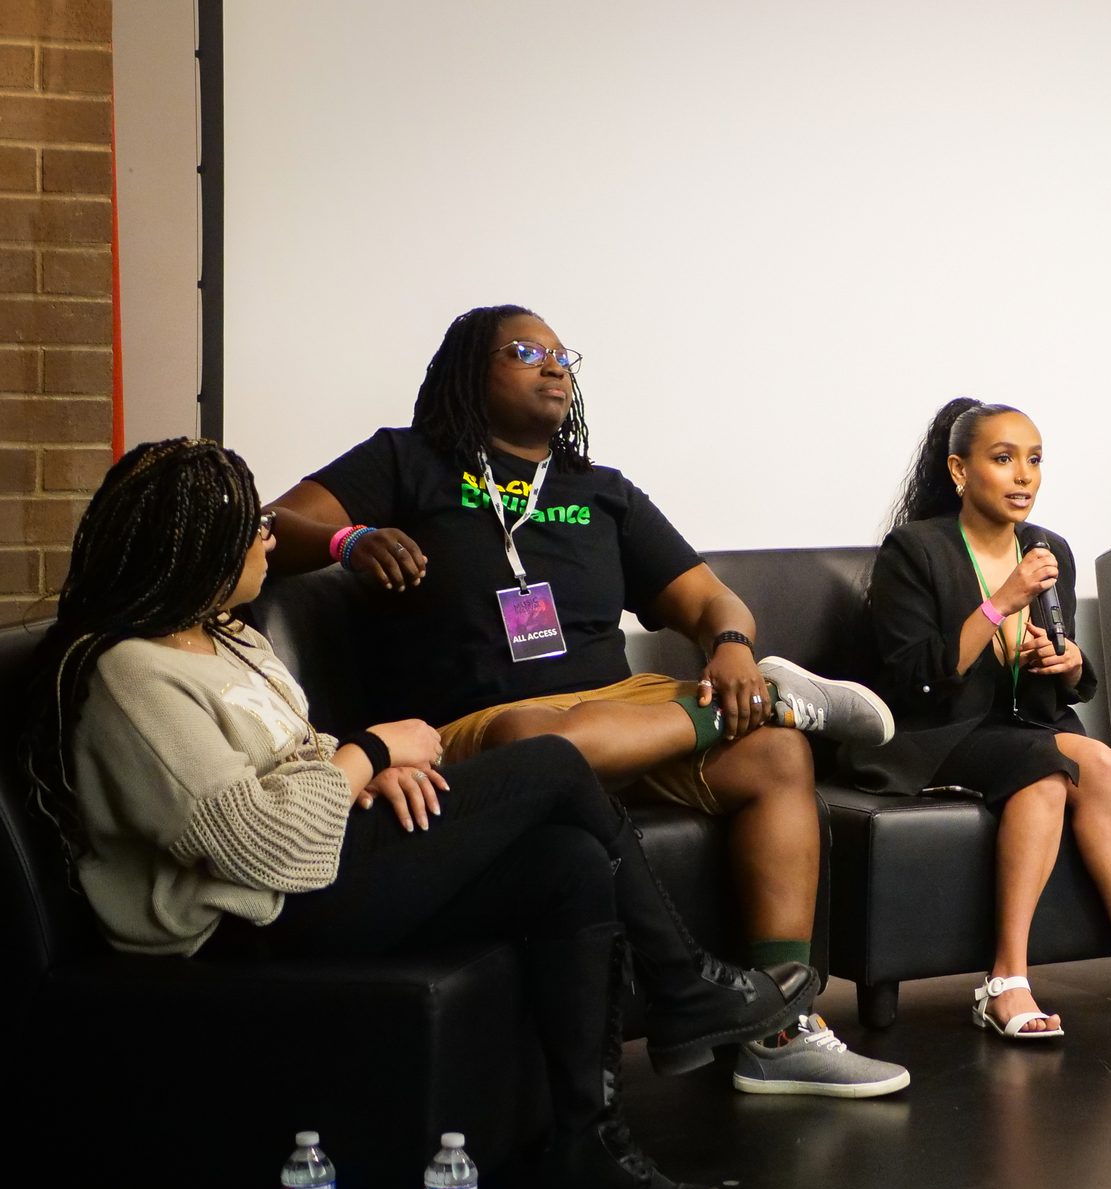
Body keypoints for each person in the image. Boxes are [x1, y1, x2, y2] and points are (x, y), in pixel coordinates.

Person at [21, 439, 818, 1189]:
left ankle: (586, 1143)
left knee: (567, 863)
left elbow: (295, 760)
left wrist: (363, 772)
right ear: (189, 549)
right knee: (550, 765)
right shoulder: (132, 676)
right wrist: (368, 754)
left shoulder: (228, 638)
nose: (267, 534)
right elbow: (267, 847)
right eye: (245, 526)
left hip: (321, 865)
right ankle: (680, 983)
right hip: (250, 921)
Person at [266, 305, 908, 1098]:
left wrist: (734, 650)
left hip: (624, 703)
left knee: (777, 752)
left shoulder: (603, 492)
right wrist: (346, 540)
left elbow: (714, 601)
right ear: (470, 370)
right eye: (525, 351)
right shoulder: (407, 462)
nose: (554, 365)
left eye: (562, 353)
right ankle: (780, 701)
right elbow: (272, 525)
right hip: (478, 723)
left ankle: (777, 1029)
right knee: (545, 739)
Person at [850, 398, 1111, 1037]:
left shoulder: (1051, 549)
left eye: (1035, 460)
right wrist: (1003, 601)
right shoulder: (914, 551)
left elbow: (1067, 685)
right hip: (936, 733)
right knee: (1045, 769)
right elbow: (917, 681)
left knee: (1099, 759)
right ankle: (1005, 981)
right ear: (960, 472)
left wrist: (1064, 661)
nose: (1024, 476)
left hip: (1022, 724)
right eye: (1003, 459)